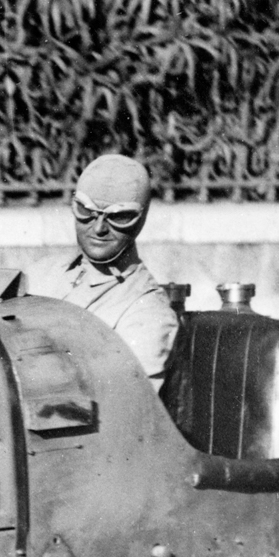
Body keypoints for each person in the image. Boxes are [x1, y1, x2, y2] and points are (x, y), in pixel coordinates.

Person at [21, 154, 178, 387]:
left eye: (119, 217)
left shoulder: (146, 314)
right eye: (86, 211)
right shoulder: (39, 274)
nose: (99, 228)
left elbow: (125, 407)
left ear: (140, 219)